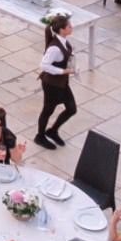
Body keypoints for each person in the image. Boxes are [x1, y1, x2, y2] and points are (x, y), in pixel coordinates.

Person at [34, 18, 77, 149]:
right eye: (69, 26)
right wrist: (63, 71)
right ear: (62, 30)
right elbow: (44, 65)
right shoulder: (54, 48)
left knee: (71, 109)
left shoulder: (64, 42)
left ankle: (52, 131)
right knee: (48, 110)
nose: (71, 26)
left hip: (62, 83)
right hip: (52, 85)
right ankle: (40, 136)